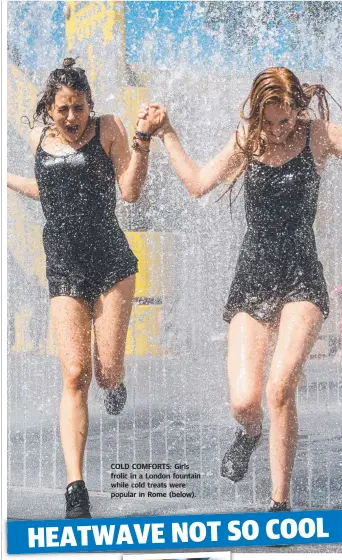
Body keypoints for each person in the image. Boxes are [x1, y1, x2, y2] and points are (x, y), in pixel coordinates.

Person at [144, 67, 342, 511]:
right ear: (256, 114)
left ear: (299, 108)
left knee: (279, 389)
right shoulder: (247, 140)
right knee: (246, 401)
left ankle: (280, 503)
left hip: (301, 278)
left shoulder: (319, 136)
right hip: (252, 278)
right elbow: (198, 185)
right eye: (269, 121)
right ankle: (251, 432)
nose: (277, 131)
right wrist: (166, 132)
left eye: (286, 120)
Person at [7, 58, 164, 518]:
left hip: (112, 265)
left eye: (78, 108)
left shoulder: (110, 129)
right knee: (74, 373)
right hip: (63, 269)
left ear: (90, 105)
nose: (71, 118)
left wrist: (143, 141)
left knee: (105, 373)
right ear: (49, 110)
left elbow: (130, 192)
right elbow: (48, 188)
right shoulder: (40, 139)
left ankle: (117, 383)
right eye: (63, 109)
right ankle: (76, 488)